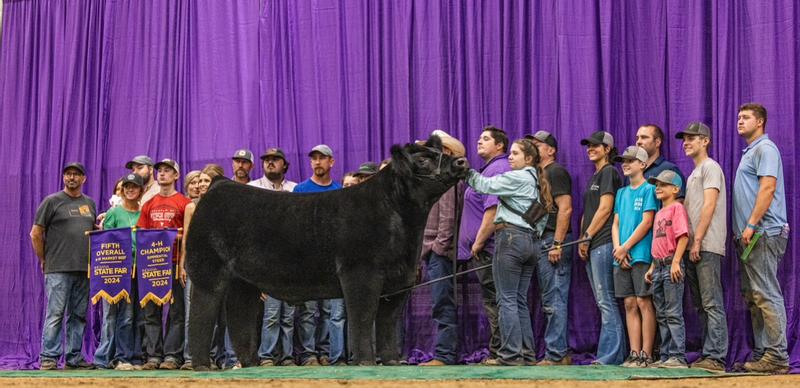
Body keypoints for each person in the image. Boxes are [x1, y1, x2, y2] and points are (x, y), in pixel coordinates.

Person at [463, 138, 552, 366]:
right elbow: (540, 222)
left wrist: (464, 170)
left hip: (510, 239)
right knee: (519, 300)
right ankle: (527, 354)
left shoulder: (518, 177)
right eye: (510, 153)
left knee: (507, 299)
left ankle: (511, 354)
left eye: (515, 153)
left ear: (528, 159)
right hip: (531, 243)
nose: (510, 157)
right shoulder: (537, 182)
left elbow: (484, 185)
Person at [732, 103, 790, 374]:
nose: (740, 121)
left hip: (763, 233)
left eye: (745, 117)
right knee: (755, 296)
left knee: (765, 292)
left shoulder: (765, 149)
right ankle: (763, 354)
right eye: (738, 117)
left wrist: (752, 224)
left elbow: (768, 188)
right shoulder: (752, 151)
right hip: (752, 235)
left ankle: (777, 356)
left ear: (760, 122)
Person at [31, 162, 97, 370]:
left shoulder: (90, 203)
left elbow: (93, 231)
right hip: (58, 268)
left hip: (83, 269)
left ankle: (74, 357)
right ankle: (49, 357)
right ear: (63, 177)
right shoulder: (52, 201)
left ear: (84, 179)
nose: (72, 177)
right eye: (68, 174)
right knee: (55, 313)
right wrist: (44, 259)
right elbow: (35, 233)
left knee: (78, 315)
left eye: (76, 174)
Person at [675, 122, 729, 372]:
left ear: (705, 141)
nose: (686, 143)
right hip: (694, 246)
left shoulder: (710, 167)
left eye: (692, 138)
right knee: (701, 304)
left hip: (706, 244)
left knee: (711, 302)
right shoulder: (694, 173)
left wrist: (697, 240)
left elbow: (710, 204)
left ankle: (716, 356)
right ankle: (709, 353)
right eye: (684, 139)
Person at [457, 126, 509, 364]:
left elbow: (493, 210)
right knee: (494, 300)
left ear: (499, 145)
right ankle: (502, 350)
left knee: (497, 300)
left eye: (486, 139)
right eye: (479, 138)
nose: (479, 141)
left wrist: (478, 243)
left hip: (490, 249)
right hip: (486, 250)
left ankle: (502, 352)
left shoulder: (497, 169)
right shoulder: (488, 169)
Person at [136, 159, 192, 370]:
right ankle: (153, 356)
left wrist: (176, 238)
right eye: (160, 170)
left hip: (175, 263)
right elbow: (141, 233)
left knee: (176, 312)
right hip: (153, 264)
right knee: (151, 312)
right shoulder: (148, 204)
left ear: (176, 175)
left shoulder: (184, 203)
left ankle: (172, 356)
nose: (162, 174)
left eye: (168, 171)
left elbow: (188, 234)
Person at [417, 133, 466, 366]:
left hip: (438, 251)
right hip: (432, 249)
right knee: (440, 300)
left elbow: (448, 217)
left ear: (445, 152)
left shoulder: (447, 181)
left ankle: (444, 354)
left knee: (442, 301)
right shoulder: (438, 179)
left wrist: (438, 247)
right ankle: (443, 352)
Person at [577, 131, 625, 366]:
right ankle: (611, 353)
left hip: (603, 242)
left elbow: (606, 208)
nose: (590, 149)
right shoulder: (595, 176)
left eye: (596, 145)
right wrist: (582, 238)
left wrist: (587, 236)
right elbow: (589, 211)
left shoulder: (609, 172)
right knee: (603, 300)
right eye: (588, 145)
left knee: (606, 300)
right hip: (592, 242)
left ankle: (610, 356)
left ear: (608, 149)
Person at [293, 144, 344, 366]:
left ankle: (325, 352)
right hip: (308, 258)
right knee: (308, 310)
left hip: (332, 259)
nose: (317, 162)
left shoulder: (339, 190)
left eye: (322, 158)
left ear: (331, 162)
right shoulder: (300, 190)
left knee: (329, 310)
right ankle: (308, 353)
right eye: (313, 158)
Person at [249, 148, 299, 367]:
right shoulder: (253, 188)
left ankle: (287, 356)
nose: (270, 163)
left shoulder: (295, 189)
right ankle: (267, 355)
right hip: (266, 259)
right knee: (271, 314)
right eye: (267, 160)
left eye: (275, 160)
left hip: (290, 258)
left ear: (284, 165)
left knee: (288, 315)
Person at [527, 131, 573, 366]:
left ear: (551, 150)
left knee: (554, 298)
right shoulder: (539, 174)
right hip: (541, 239)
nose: (534, 147)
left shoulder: (555, 171)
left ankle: (556, 353)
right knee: (549, 298)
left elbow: (565, 208)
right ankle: (556, 351)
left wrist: (557, 243)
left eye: (539, 145)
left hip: (552, 240)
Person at [612, 146, 658, 368]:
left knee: (643, 301)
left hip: (640, 254)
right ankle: (634, 352)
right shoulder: (621, 193)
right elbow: (616, 223)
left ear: (643, 164)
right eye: (624, 161)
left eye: (631, 160)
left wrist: (626, 247)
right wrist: (618, 249)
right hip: (621, 256)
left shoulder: (649, 189)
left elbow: (647, 222)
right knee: (629, 302)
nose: (626, 164)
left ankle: (646, 354)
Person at [94, 173, 144, 371]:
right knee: (126, 315)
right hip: (121, 270)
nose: (130, 189)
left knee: (140, 316)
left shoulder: (144, 212)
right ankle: (122, 357)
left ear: (140, 190)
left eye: (134, 186)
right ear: (122, 190)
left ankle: (136, 357)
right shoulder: (114, 213)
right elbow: (107, 241)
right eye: (126, 187)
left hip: (142, 269)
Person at [645, 170, 689, 368]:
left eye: (663, 185)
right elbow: (657, 242)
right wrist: (652, 267)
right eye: (657, 185)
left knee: (673, 312)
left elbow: (683, 237)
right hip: (658, 267)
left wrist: (676, 262)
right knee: (661, 314)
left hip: (671, 265)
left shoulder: (677, 208)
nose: (658, 188)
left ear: (676, 189)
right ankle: (665, 355)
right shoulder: (659, 213)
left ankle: (677, 355)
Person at [635, 125, 686, 199]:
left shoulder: (670, 169)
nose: (638, 142)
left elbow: (679, 200)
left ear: (657, 142)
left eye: (644, 137)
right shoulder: (633, 170)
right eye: (637, 138)